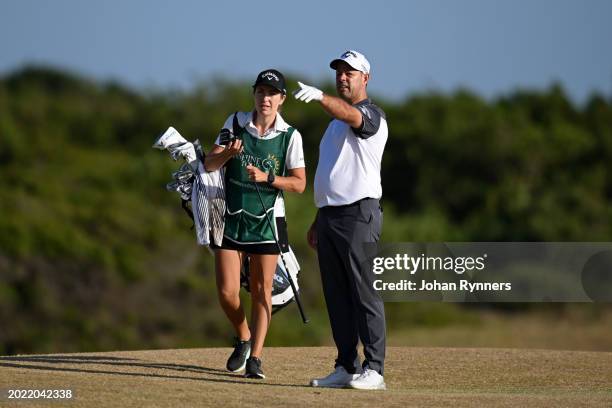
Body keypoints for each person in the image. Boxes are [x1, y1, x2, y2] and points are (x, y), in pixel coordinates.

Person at [294, 50, 388, 390]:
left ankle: (374, 369)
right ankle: (346, 366)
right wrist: (319, 218)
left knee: (364, 293)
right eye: (339, 72)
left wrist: (321, 97)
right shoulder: (335, 126)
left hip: (358, 215)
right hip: (331, 217)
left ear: (366, 78)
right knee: (336, 296)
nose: (343, 77)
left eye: (350, 72)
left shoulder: (372, 115)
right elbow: (334, 174)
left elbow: (351, 114)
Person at [204, 69, 306, 379]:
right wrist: (228, 155)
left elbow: (300, 184)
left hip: (266, 223)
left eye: (272, 93)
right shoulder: (234, 123)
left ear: (282, 99)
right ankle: (244, 337)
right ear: (254, 94)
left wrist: (268, 178)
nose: (266, 98)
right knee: (227, 292)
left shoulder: (291, 136)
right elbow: (209, 164)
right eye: (261, 91)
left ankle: (256, 358)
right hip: (230, 219)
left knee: (262, 293)